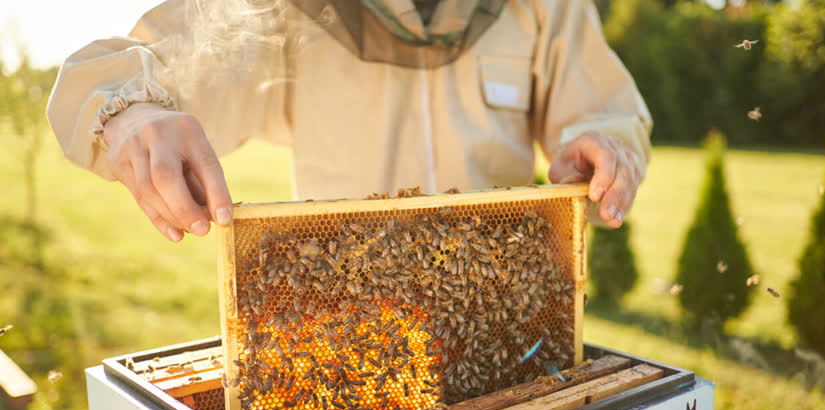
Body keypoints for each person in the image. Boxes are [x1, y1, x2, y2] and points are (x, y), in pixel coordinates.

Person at [47, 0, 652, 243]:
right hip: (348, 325)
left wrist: (601, 146)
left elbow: (604, 109)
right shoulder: (283, 7)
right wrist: (132, 111)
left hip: (508, 318)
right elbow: (128, 69)